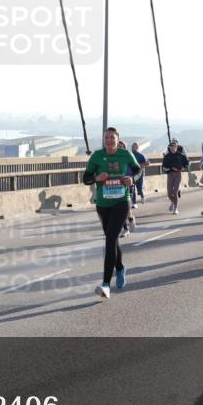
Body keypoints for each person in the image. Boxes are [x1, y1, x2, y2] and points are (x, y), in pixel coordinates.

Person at [83, 127, 141, 299]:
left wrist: (132, 179)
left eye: (112, 138)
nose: (109, 140)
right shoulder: (97, 156)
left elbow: (138, 171)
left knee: (109, 240)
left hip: (121, 202)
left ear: (118, 139)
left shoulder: (125, 155)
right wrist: (96, 178)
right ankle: (121, 268)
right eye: (106, 138)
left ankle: (106, 284)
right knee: (112, 240)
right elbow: (85, 178)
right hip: (103, 204)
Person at [162, 139, 189, 214]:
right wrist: (170, 168)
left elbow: (186, 163)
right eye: (170, 147)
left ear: (176, 147)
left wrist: (183, 168)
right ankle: (173, 202)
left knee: (175, 192)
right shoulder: (167, 156)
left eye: (173, 146)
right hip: (170, 175)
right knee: (169, 193)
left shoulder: (181, 155)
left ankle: (176, 208)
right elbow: (163, 167)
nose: (172, 148)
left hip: (178, 174)